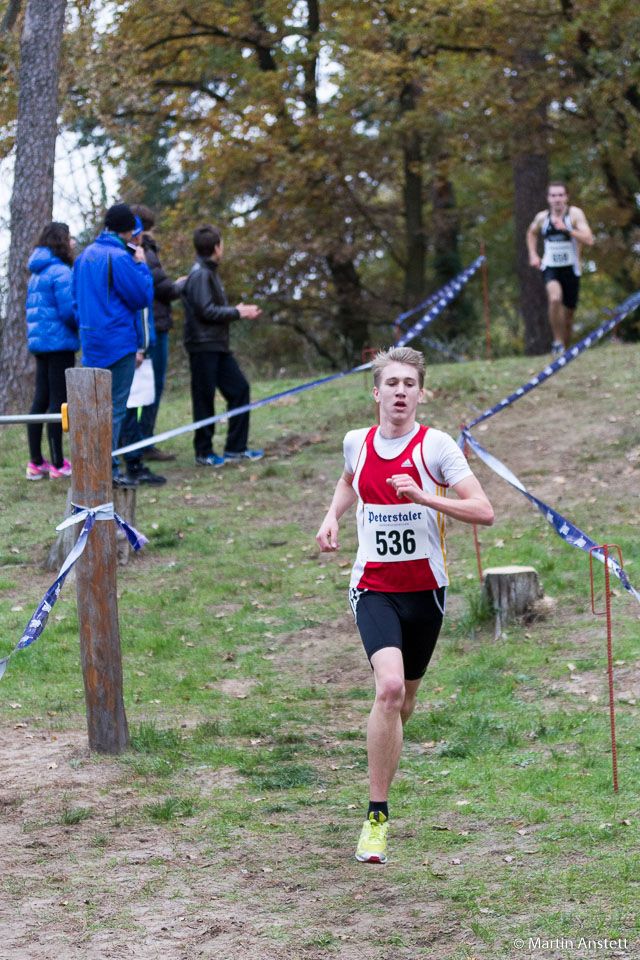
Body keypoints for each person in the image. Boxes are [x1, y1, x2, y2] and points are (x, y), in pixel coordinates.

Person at [316, 346, 494, 864]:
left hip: (426, 593)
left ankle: (385, 744)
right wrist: (331, 516)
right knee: (389, 688)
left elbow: (483, 511)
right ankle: (376, 818)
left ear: (420, 394)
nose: (400, 392)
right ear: (376, 392)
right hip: (374, 588)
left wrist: (424, 496)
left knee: (404, 702)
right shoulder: (356, 442)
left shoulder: (436, 447)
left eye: (409, 384)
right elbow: (348, 479)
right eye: (391, 383)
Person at [73, 203, 155, 488]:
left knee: (93, 409)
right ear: (129, 230)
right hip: (118, 343)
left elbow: (75, 302)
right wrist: (142, 265)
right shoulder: (120, 257)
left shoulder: (83, 256)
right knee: (115, 409)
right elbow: (141, 296)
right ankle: (108, 469)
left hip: (91, 341)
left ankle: (92, 466)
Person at [181, 224, 263, 466]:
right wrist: (237, 312)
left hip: (217, 345)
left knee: (240, 389)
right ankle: (203, 452)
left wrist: (236, 311)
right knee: (204, 399)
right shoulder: (200, 274)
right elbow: (205, 310)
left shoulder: (209, 272)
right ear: (216, 247)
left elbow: (210, 307)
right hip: (203, 345)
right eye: (222, 244)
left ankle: (236, 448)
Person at [130, 204, 187, 462]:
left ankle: (139, 440)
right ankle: (143, 441)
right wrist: (182, 284)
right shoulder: (147, 252)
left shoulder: (144, 252)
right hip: (154, 327)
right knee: (151, 386)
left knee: (145, 386)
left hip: (153, 325)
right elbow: (163, 289)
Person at [25, 222, 78, 480]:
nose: (73, 243)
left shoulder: (37, 272)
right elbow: (69, 312)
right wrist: (83, 323)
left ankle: (36, 462)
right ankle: (58, 463)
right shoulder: (61, 271)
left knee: (40, 400)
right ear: (61, 241)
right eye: (70, 238)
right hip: (59, 344)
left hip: (41, 344)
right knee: (58, 402)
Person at [117, 217, 167, 486]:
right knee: (130, 406)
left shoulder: (135, 259)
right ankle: (132, 462)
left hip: (143, 345)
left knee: (139, 403)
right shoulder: (128, 262)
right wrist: (138, 347)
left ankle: (135, 457)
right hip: (134, 347)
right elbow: (136, 306)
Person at [526, 182, 594, 354]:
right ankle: (557, 341)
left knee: (568, 315)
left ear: (566, 197)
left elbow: (589, 240)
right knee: (555, 298)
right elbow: (531, 233)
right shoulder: (542, 218)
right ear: (548, 198)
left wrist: (568, 229)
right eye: (553, 195)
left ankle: (566, 349)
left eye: (560, 195)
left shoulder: (574, 215)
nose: (557, 199)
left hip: (571, 268)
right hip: (551, 266)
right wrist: (533, 255)